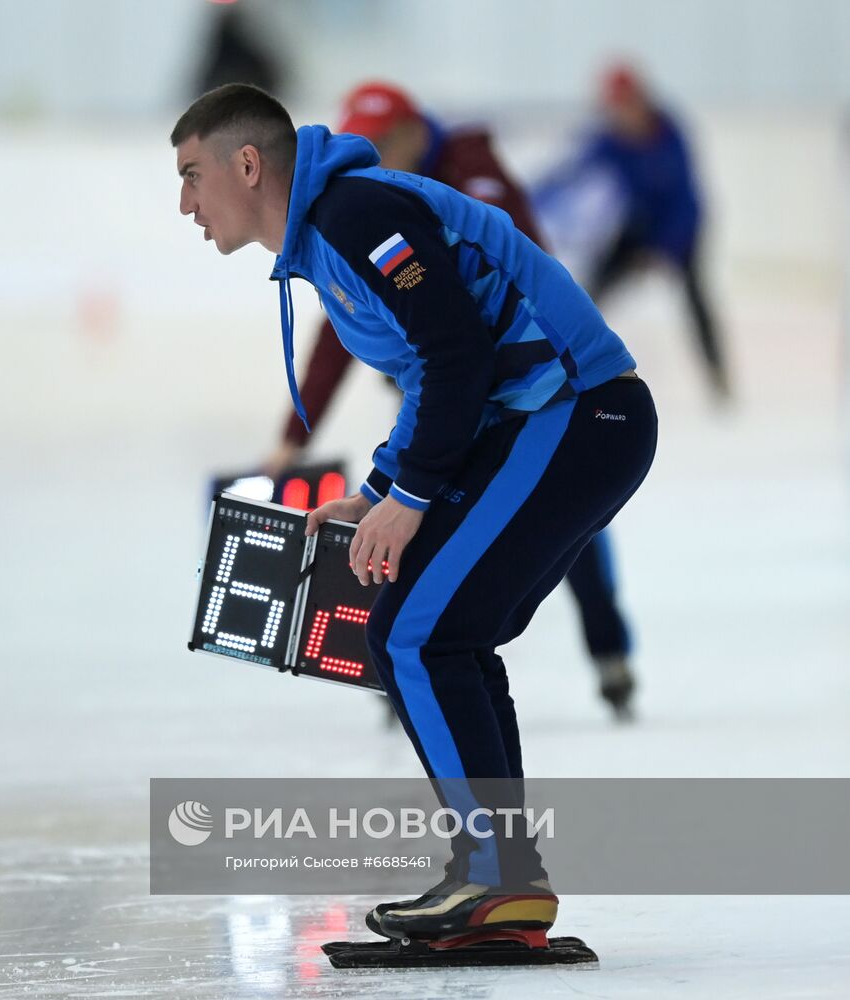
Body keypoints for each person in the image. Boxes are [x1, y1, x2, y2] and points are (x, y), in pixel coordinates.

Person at [171, 84, 657, 944]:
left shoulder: (355, 214)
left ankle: (497, 877)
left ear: (247, 165)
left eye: (191, 175)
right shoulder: (327, 237)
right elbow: (437, 374)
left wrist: (410, 496)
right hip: (549, 421)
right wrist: (382, 486)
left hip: (581, 413)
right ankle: (504, 884)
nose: (185, 204)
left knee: (418, 634)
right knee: (433, 631)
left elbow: (457, 352)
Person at [262, 81, 639, 717]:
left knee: (565, 521)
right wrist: (295, 435)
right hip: (441, 391)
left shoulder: (462, 182)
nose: (373, 153)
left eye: (383, 141)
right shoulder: (358, 205)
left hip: (533, 389)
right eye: (364, 141)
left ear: (415, 132)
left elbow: (485, 294)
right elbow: (338, 326)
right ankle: (406, 662)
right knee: (425, 511)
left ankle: (607, 650)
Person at [535, 62, 731, 403]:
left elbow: (687, 203)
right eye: (614, 108)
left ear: (642, 100)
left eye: (626, 105)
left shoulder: (670, 136)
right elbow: (569, 173)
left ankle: (718, 377)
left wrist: (665, 250)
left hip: (680, 231)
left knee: (697, 299)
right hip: (636, 229)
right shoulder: (609, 140)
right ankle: (568, 363)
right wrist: (529, 197)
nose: (621, 115)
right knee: (591, 292)